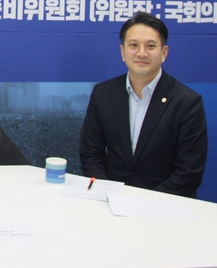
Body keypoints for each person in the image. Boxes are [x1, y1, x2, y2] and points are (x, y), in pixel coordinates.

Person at [79, 12, 208, 198]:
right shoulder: (103, 94)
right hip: (109, 201)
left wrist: (143, 203)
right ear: (122, 52)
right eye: (133, 45)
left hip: (165, 205)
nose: (141, 53)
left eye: (150, 46)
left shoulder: (187, 102)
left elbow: (189, 173)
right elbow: (90, 154)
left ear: (164, 52)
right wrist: (108, 194)